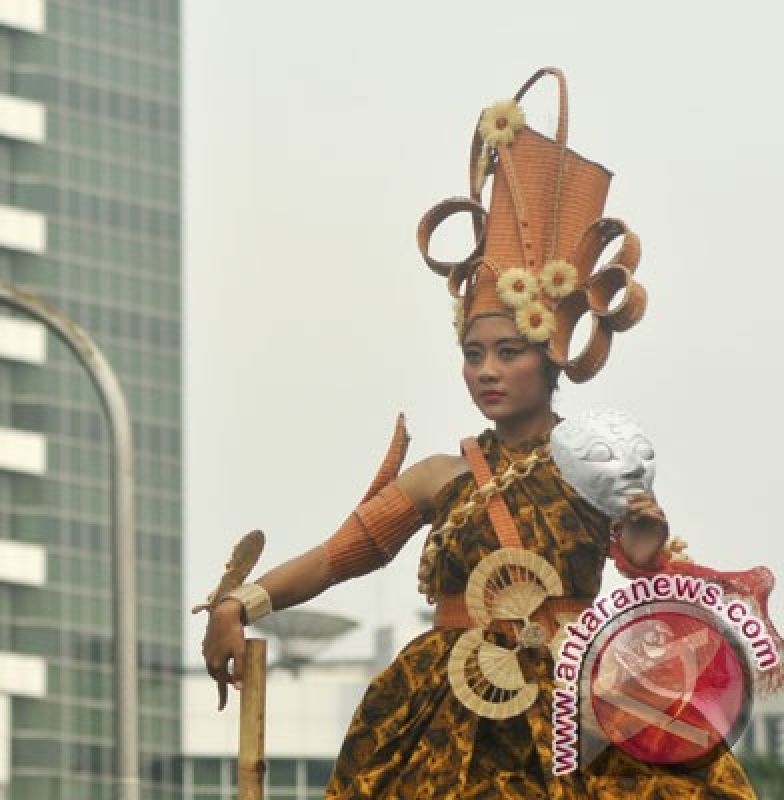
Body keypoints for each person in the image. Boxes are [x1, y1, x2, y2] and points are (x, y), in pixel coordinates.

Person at [200, 68, 759, 797]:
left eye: (508, 353)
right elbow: (341, 556)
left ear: (549, 355)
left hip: (574, 707)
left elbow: (661, 595)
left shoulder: (598, 462)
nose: (487, 371)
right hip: (446, 709)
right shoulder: (442, 476)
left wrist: (645, 557)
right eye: (473, 354)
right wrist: (242, 602)